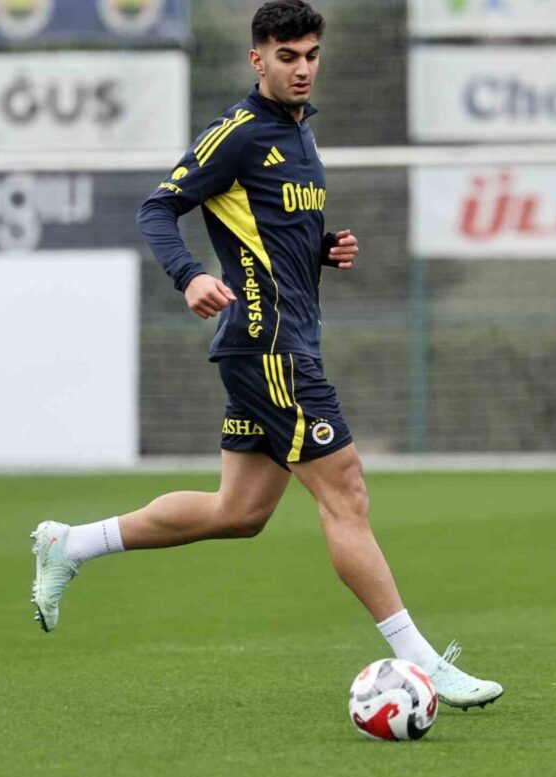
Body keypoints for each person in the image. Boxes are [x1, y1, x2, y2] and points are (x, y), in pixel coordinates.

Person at [30, 0, 502, 710]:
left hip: (279, 345)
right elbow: (157, 208)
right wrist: (189, 276)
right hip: (269, 348)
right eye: (287, 57)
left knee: (240, 510)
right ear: (258, 60)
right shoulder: (240, 133)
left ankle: (70, 544)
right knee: (346, 493)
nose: (302, 68)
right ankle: (425, 664)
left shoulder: (301, 133)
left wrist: (322, 248)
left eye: (311, 55)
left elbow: (271, 234)